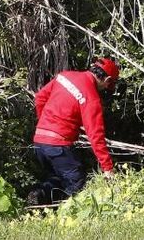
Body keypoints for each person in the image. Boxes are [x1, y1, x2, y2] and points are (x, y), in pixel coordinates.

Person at [26, 58, 119, 205]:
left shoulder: (64, 76)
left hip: (39, 141)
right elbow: (96, 136)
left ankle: (39, 196)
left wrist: (44, 124)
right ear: (106, 79)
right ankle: (65, 216)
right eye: (109, 84)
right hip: (58, 145)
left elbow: (39, 99)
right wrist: (107, 168)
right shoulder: (91, 98)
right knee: (76, 183)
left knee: (56, 178)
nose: (107, 88)